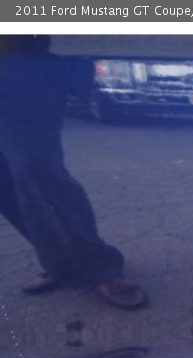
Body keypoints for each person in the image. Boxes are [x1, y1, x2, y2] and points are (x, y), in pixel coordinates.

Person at [0, 35, 146, 310]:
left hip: (21, 61)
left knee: (35, 170)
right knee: (5, 182)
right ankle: (62, 261)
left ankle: (96, 266)